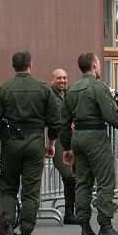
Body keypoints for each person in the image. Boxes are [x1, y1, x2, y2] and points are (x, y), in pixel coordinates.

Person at [60, 53, 118, 235]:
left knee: (83, 182)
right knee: (105, 181)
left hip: (77, 137)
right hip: (95, 136)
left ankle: (85, 228)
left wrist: (67, 147)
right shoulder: (98, 87)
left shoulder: (72, 90)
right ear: (95, 65)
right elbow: (110, 115)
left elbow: (63, 121)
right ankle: (105, 226)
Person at [0, 51, 59, 235]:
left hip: (10, 143)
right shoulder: (44, 89)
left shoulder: (3, 89)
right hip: (35, 142)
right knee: (31, 191)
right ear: (30, 65)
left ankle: (8, 233)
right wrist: (50, 143)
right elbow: (55, 121)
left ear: (13, 66)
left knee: (7, 187)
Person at [50, 68, 78, 225]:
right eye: (59, 78)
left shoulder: (68, 95)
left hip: (68, 138)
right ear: (52, 80)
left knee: (72, 176)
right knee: (68, 174)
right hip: (53, 138)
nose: (63, 81)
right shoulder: (49, 95)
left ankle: (70, 212)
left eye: (65, 78)